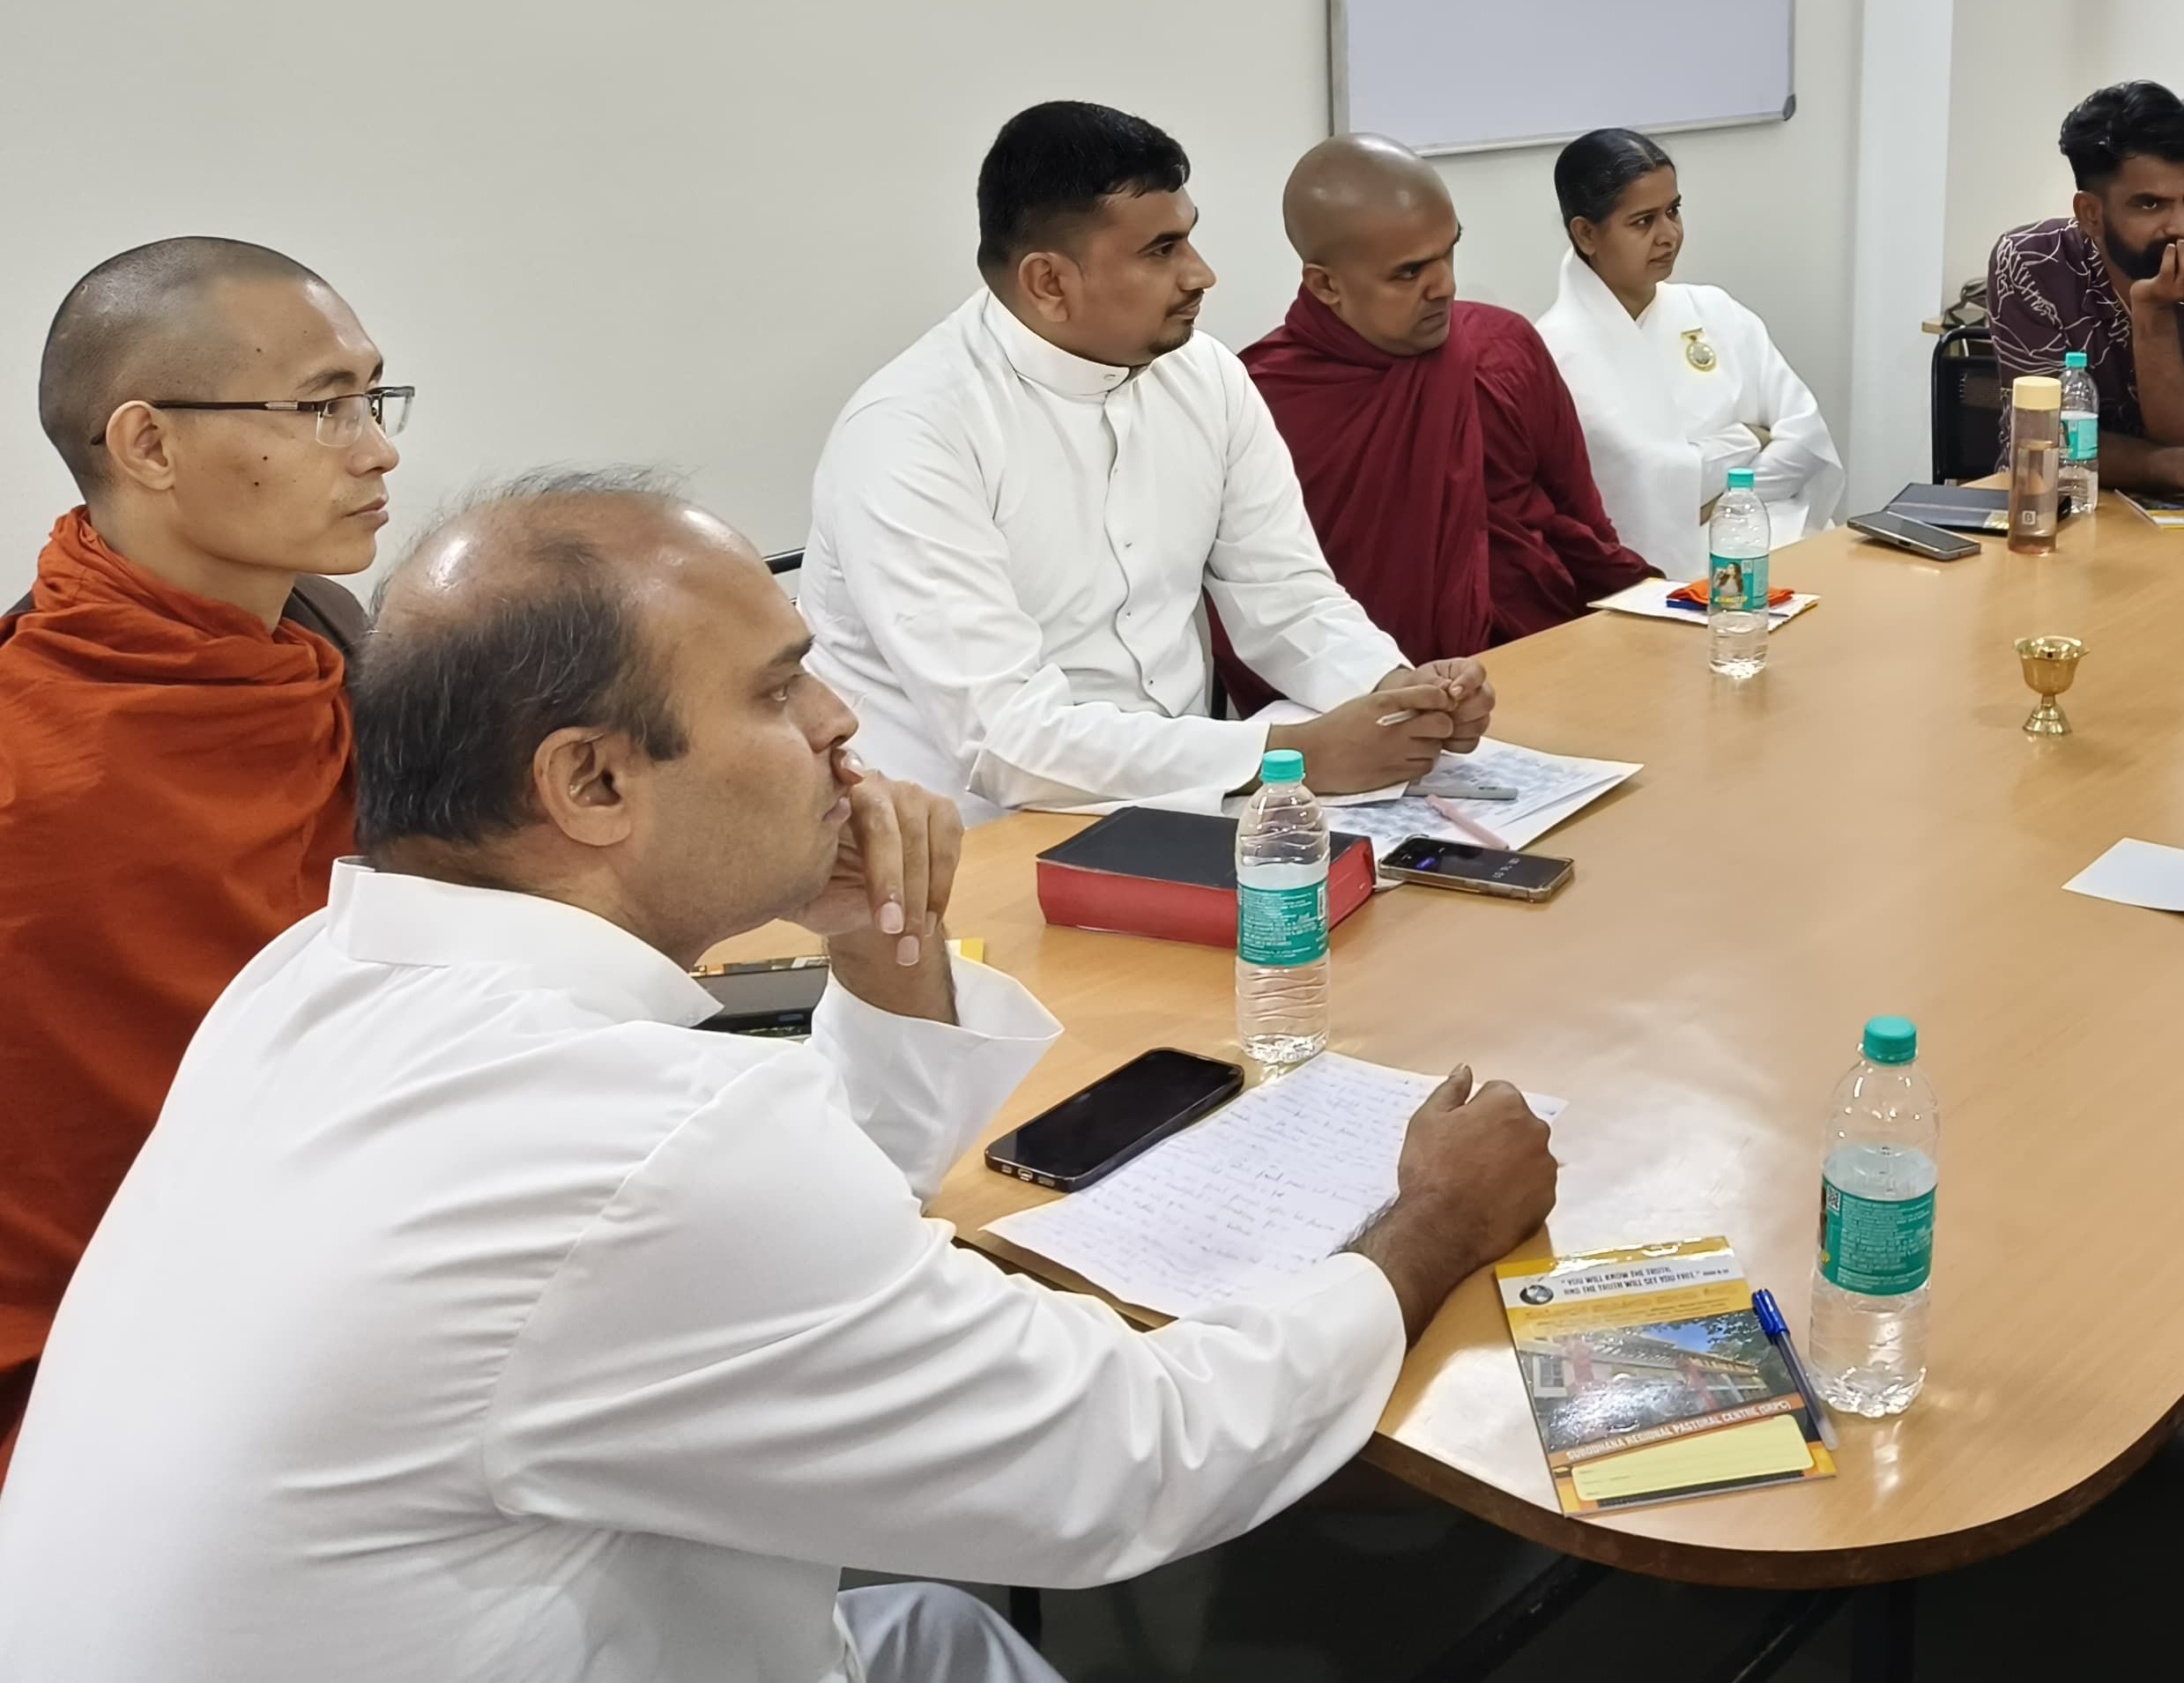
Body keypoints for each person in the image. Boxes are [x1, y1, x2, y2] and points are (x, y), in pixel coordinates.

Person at [0, 477, 1559, 1683]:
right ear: (590, 781)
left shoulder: (311, 976)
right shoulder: (635, 1138)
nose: (839, 722)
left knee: (933, 1629)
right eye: (777, 689)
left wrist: (885, 953)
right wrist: (1425, 1225)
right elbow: (1129, 1461)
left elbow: (774, 1257)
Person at [0, 238, 402, 1470]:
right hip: (98, 1389)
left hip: (366, 1276)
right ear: (149, 445)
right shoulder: (30, 760)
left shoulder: (334, 646)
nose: (377, 449)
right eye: (322, 407)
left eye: (373, 398)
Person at [802, 102, 1490, 821]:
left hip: (1191, 802)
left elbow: (1286, 595)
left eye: (1188, 237)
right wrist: (1290, 756)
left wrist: (1396, 694)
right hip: (969, 841)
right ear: (1048, 283)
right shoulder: (910, 433)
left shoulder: (1207, 376)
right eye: (1162, 251)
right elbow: (1005, 740)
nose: (1201, 274)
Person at [1242, 135, 1654, 665]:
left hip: (1536, 659)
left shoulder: (1504, 348)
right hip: (1356, 686)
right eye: (1410, 272)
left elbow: (1585, 527)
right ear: (1326, 286)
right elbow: (1257, 599)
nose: (1446, 285)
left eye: (1449, 251)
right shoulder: (1262, 399)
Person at [1534, 128, 1845, 580]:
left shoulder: (1715, 310)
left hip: (1788, 541)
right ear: (1586, 234)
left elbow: (1805, 438)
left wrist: (1719, 501)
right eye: (1643, 222)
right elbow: (1639, 494)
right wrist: (1748, 440)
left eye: (1673, 211)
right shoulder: (1557, 352)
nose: (1669, 235)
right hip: (1670, 581)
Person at [1984, 81, 2184, 510]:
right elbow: (2044, 441)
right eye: (2150, 205)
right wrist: (2165, 465)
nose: (2183, 225)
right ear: (2091, 213)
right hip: (2048, 505)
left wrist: (2153, 313)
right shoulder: (2031, 262)